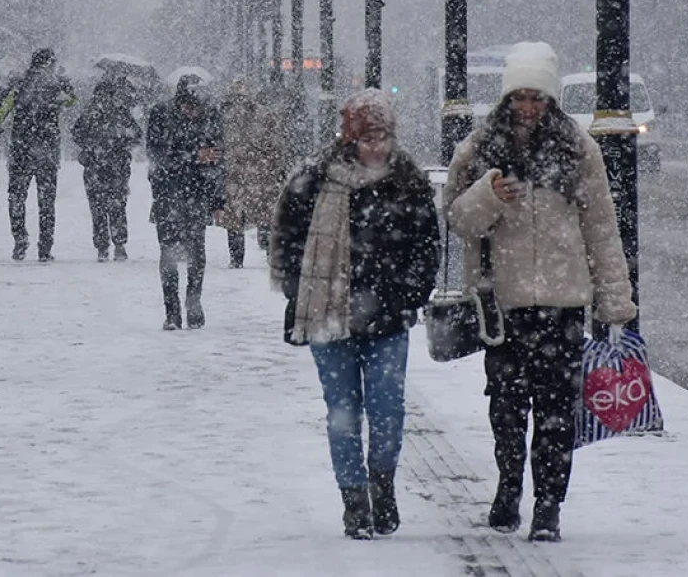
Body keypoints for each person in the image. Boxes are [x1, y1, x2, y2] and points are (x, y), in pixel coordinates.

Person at [443, 41, 637, 542]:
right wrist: (488, 194)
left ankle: (549, 505)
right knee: (506, 408)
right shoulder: (479, 147)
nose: (527, 107)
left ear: (551, 99)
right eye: (519, 97)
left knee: (555, 411)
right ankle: (509, 488)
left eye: (537, 97)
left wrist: (614, 298)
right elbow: (457, 219)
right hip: (503, 305)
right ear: (507, 98)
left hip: (563, 302)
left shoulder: (578, 148)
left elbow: (601, 228)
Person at [269, 91, 440, 539]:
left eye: (382, 135)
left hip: (387, 319)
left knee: (388, 411)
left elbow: (426, 247)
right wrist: (299, 289)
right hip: (330, 316)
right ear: (350, 137)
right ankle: (353, 501)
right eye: (367, 136)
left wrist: (409, 295)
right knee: (342, 413)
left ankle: (382, 487)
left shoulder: (409, 182)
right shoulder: (315, 179)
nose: (376, 146)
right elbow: (286, 238)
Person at [145, 74, 224, 330]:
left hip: (196, 195)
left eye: (197, 107)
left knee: (196, 254)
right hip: (169, 195)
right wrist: (192, 156)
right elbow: (157, 157)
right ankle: (172, 311)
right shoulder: (160, 114)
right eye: (189, 107)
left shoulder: (210, 117)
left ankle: (193, 304)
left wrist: (217, 201)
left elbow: (216, 162)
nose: (193, 112)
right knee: (168, 254)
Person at [0, 48, 75, 262]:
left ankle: (20, 240)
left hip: (21, 149)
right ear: (50, 63)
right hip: (47, 151)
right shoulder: (55, 86)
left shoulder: (18, 84)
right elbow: (71, 101)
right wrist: (64, 84)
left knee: (16, 197)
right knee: (46, 202)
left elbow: (1, 113)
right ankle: (45, 247)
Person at [71, 72, 142, 262]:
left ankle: (102, 247)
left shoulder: (90, 113)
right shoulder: (120, 112)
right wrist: (121, 143)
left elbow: (76, 134)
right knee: (117, 206)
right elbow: (136, 135)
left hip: (95, 166)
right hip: (117, 166)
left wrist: (91, 146)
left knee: (98, 209)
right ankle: (119, 244)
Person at [221, 77, 288, 268]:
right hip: (249, 176)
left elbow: (277, 149)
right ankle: (251, 255)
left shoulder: (228, 117)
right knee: (247, 217)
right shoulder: (227, 117)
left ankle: (241, 258)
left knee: (247, 217)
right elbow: (278, 149)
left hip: (249, 175)